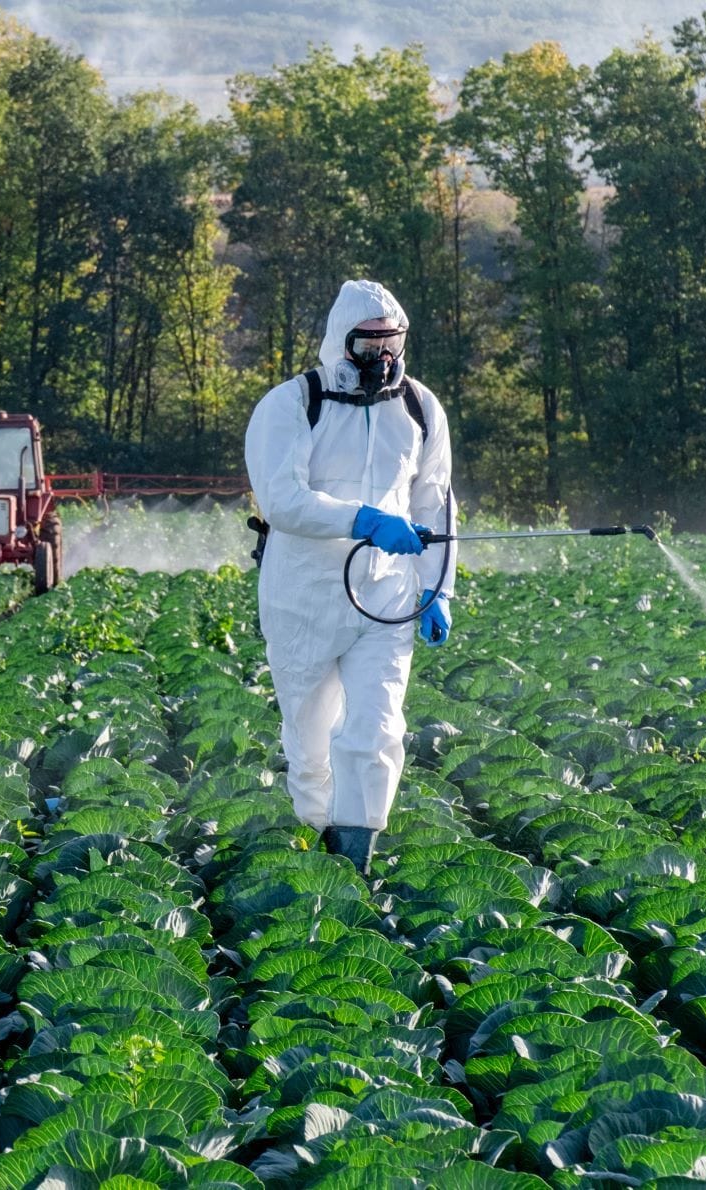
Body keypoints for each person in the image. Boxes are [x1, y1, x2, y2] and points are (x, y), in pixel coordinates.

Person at [243, 280, 455, 875]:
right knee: (310, 745)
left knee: (378, 725)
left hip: (385, 599)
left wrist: (438, 589)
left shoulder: (419, 408)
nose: (382, 358)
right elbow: (282, 500)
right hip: (302, 599)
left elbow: (435, 503)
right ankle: (319, 842)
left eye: (392, 344)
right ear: (343, 342)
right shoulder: (290, 405)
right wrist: (361, 519)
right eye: (369, 344)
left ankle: (357, 854)